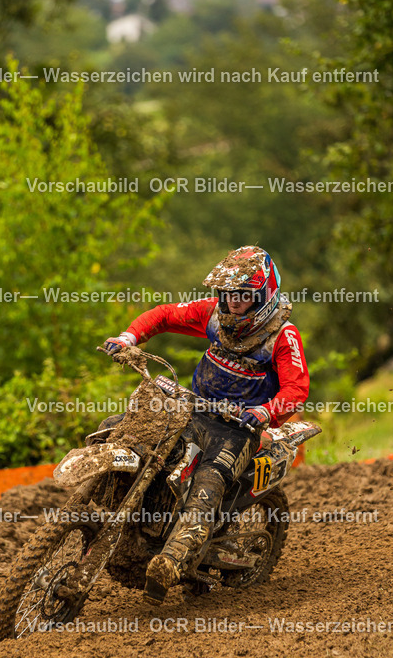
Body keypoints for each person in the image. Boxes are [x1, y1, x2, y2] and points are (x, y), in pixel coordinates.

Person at [103, 245, 310, 603]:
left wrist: (265, 412)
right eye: (228, 294)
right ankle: (106, 506)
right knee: (121, 427)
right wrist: (129, 337)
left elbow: (296, 389)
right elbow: (165, 315)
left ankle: (169, 563)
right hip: (193, 409)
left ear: (264, 295)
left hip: (238, 428)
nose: (233, 303)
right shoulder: (214, 314)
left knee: (208, 483)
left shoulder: (282, 335)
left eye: (243, 296)